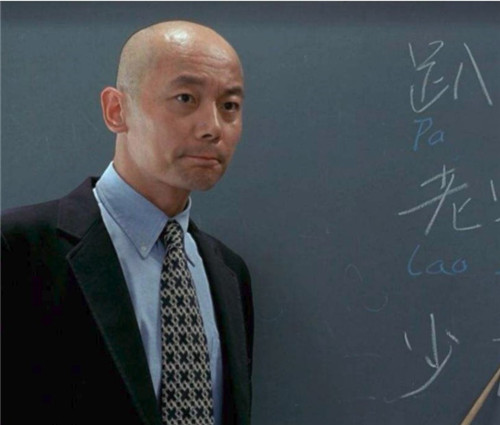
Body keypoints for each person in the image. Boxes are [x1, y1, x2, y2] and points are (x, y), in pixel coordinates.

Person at [1, 21, 253, 425]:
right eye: (185, 98)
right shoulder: (17, 250)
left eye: (230, 106)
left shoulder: (229, 274)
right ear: (117, 110)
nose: (212, 128)